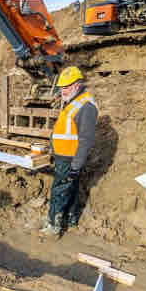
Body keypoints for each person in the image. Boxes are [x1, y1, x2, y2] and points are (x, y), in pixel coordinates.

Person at [39, 66, 97, 237]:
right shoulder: (73, 102)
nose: (62, 91)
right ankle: (70, 219)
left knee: (59, 190)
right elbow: (63, 129)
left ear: (77, 85)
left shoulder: (86, 106)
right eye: (61, 87)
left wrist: (76, 166)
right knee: (70, 188)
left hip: (70, 158)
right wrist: (52, 147)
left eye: (66, 87)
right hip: (63, 155)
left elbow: (86, 140)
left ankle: (53, 226)